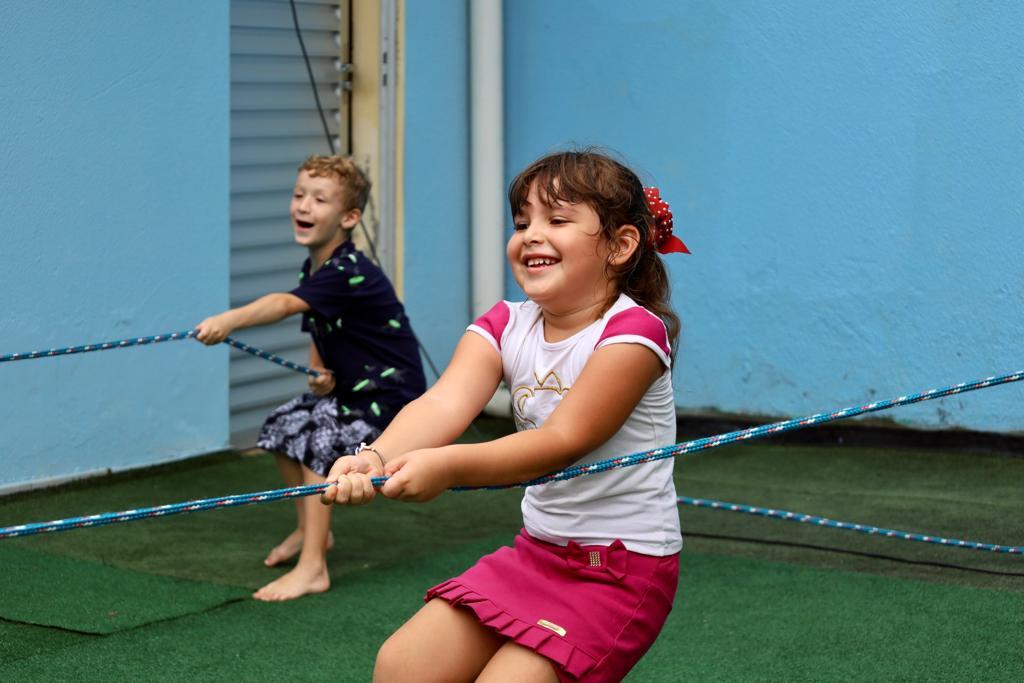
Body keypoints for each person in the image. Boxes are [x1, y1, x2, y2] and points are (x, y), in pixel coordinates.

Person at [323, 148, 690, 681]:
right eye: (522, 222)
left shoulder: (635, 333)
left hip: (619, 569)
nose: (531, 234)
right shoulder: (504, 324)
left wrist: (447, 467)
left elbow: (562, 439)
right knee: (401, 664)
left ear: (621, 244)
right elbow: (442, 403)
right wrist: (375, 456)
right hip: (536, 551)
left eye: (557, 219)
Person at [196, 154, 426, 601]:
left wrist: (230, 320)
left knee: (318, 438)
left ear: (349, 217)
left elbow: (286, 305)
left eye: (319, 199)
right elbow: (320, 325)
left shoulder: (348, 270)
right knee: (284, 424)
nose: (303, 205)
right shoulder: (318, 269)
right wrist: (321, 372)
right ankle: (311, 530)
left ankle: (313, 567)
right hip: (352, 391)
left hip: (390, 401)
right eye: (300, 194)